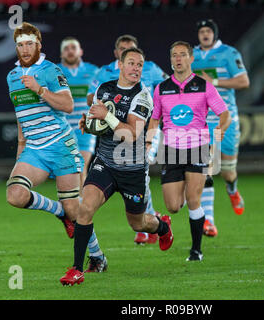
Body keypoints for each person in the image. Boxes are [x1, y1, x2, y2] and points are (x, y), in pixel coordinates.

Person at [59, 47, 173, 286]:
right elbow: (98, 123)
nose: (136, 68)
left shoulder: (142, 96)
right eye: (131, 63)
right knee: (85, 209)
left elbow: (131, 134)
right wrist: (87, 124)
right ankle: (77, 269)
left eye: (140, 65)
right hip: (105, 164)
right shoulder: (104, 89)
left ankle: (162, 227)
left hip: (132, 169)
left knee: (138, 223)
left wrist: (106, 117)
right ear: (119, 65)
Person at [148, 41, 230, 261]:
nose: (178, 59)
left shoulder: (204, 86)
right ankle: (190, 184)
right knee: (173, 207)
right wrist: (149, 144)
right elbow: (154, 120)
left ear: (191, 58)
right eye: (174, 55)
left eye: (183, 55)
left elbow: (225, 114)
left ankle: (196, 250)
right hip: (171, 150)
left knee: (194, 199)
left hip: (198, 147)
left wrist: (217, 135)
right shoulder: (162, 88)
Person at [88, 34, 168, 245]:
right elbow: (91, 97)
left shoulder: (150, 69)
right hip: (115, 134)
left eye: (137, 62)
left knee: (140, 165)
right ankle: (151, 220)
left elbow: (167, 87)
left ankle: (147, 221)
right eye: (126, 53)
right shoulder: (105, 73)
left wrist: (157, 114)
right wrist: (99, 114)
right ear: (118, 57)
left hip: (145, 127)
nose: (135, 67)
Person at [6, 22, 82, 243]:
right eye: (21, 45)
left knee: (74, 210)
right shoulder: (12, 76)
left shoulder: (51, 70)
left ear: (38, 44)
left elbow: (68, 105)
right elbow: (20, 113)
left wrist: (40, 89)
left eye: (30, 43)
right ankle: (60, 213)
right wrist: (21, 148)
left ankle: (97, 256)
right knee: (15, 195)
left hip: (60, 145)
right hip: (35, 148)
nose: (26, 49)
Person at [192, 19, 250, 237]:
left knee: (227, 171)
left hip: (226, 119)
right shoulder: (191, 55)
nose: (205, 34)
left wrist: (213, 83)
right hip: (201, 121)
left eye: (208, 31)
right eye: (202, 31)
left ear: (214, 33)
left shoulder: (228, 53)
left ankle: (232, 190)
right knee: (206, 167)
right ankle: (209, 222)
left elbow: (244, 81)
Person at [57, 37, 108, 272]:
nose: (69, 50)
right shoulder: (54, 72)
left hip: (84, 131)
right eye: (65, 48)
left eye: (73, 47)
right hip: (59, 133)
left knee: (80, 171)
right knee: (68, 187)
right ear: (61, 53)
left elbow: (101, 97)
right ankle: (72, 213)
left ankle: (77, 214)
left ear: (81, 51)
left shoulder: (93, 72)